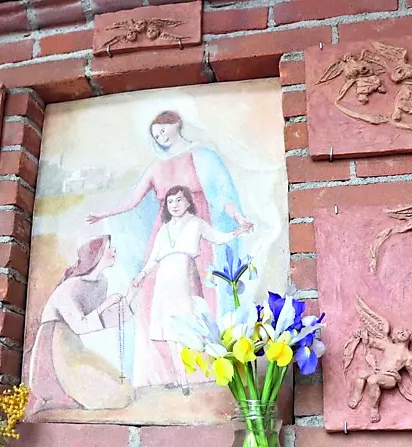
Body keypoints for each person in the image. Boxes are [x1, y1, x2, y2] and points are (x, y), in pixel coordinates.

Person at [86, 111, 253, 387]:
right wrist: (103, 214)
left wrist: (239, 219)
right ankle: (165, 374)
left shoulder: (202, 156)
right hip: (164, 237)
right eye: (156, 135)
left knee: (199, 302)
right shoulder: (155, 167)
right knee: (158, 307)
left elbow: (223, 195)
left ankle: (205, 371)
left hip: (196, 234)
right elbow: (132, 201)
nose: (160, 137)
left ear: (176, 124)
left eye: (163, 130)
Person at [132, 185, 250, 393]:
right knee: (168, 329)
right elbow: (153, 258)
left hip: (185, 277)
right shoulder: (164, 229)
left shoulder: (196, 223)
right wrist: (141, 276)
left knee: (184, 327)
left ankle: (186, 377)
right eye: (170, 201)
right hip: (164, 280)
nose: (174, 205)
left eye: (179, 200)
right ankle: (181, 378)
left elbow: (218, 238)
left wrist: (237, 231)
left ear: (188, 202)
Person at [25, 235, 134, 418]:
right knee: (113, 396)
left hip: (74, 346)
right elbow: (81, 325)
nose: (114, 250)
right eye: (109, 247)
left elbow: (99, 319)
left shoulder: (101, 282)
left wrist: (130, 296)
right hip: (54, 349)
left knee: (125, 390)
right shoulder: (70, 287)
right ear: (97, 255)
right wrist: (105, 305)